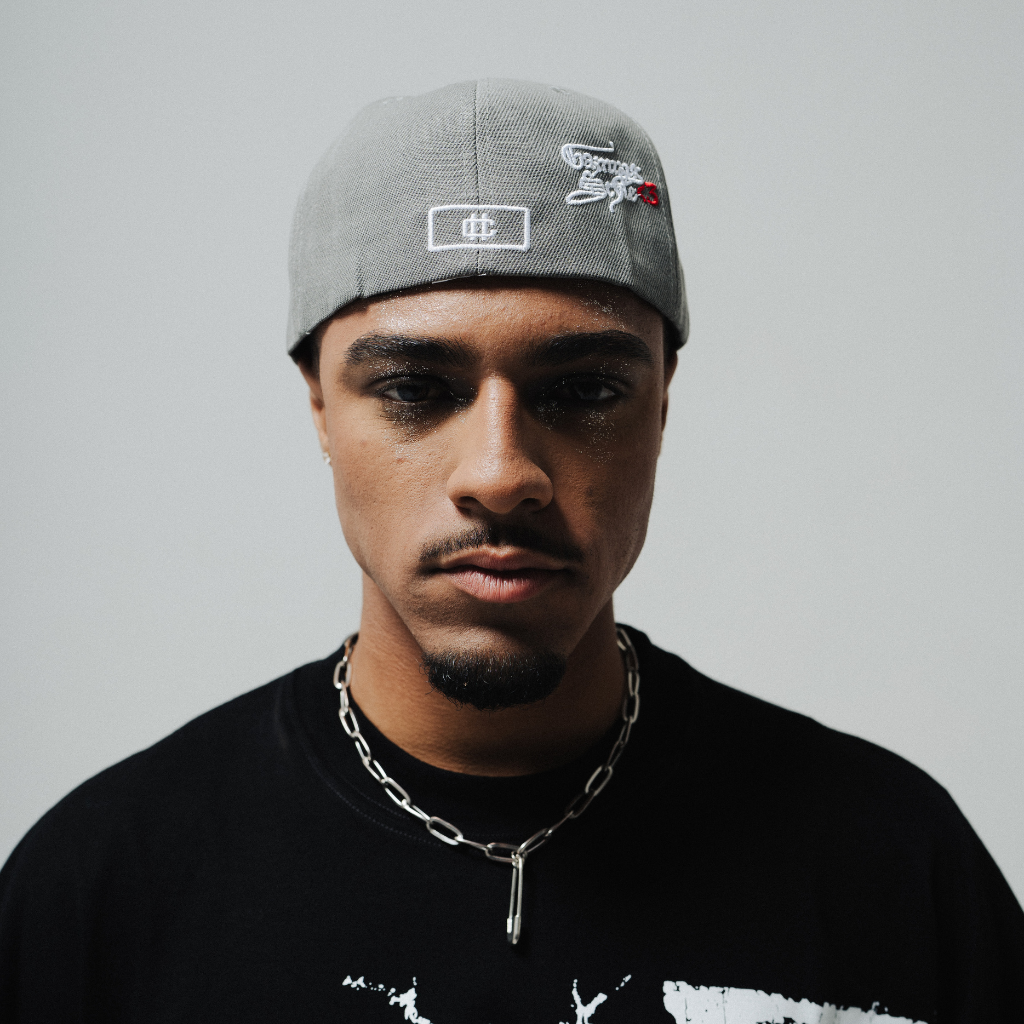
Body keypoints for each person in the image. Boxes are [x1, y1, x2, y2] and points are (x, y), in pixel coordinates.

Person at [1, 79, 1021, 1024]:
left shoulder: (894, 869)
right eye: (414, 388)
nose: (500, 473)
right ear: (320, 407)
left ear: (662, 404)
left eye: (584, 390)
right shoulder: (100, 893)